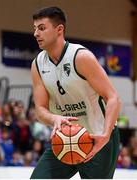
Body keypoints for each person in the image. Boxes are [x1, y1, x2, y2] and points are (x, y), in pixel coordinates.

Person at [30, 6, 121, 179]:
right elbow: (40, 110)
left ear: (59, 30)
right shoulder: (37, 65)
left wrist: (106, 134)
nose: (36, 33)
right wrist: (54, 118)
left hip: (98, 137)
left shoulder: (80, 57)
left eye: (41, 28)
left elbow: (113, 98)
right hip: (65, 138)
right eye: (34, 28)